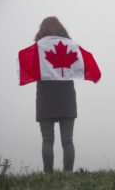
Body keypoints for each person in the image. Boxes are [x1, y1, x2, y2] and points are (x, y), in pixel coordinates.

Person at [35, 16, 77, 173]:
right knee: (67, 140)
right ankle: (68, 174)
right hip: (66, 99)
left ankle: (48, 175)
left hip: (45, 100)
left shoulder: (37, 48)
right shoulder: (71, 46)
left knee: (47, 141)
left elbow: (28, 68)